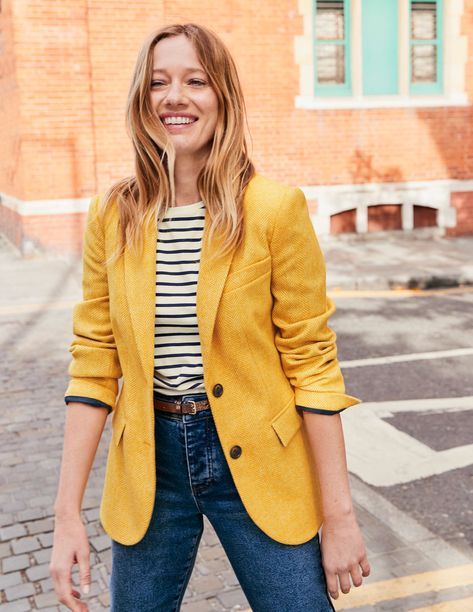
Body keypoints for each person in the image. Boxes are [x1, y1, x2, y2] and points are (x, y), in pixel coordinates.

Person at [50, 22, 370, 612]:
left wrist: (340, 516)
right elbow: (94, 362)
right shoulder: (113, 215)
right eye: (158, 83)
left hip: (257, 456)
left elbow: (314, 368)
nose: (175, 97)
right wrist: (66, 515)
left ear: (222, 95)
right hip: (151, 464)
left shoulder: (274, 210)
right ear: (141, 100)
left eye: (195, 80)